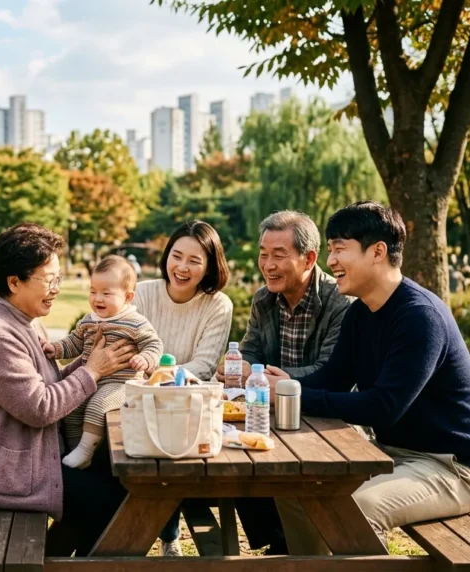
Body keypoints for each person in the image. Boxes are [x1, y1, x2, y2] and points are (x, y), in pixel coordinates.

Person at [264, 201, 470, 554]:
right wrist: (280, 385)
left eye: (340, 249)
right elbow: (333, 378)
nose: (331, 262)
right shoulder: (361, 312)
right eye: (330, 250)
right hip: (388, 454)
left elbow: (383, 408)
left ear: (378, 252)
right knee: (298, 488)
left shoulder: (419, 317)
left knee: (353, 510)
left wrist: (291, 394)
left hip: (450, 468)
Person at [0, 223, 135, 557]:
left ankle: (62, 559)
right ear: (14, 282)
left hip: (30, 462)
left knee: (116, 479)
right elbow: (40, 408)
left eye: (58, 279)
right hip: (6, 476)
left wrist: (96, 364)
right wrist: (93, 369)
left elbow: (47, 384)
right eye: (48, 279)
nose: (55, 288)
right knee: (115, 498)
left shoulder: (24, 318)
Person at [213, 211, 354, 554]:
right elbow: (249, 353)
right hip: (269, 412)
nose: (268, 264)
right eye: (263, 253)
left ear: (309, 258)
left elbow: (331, 371)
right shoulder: (264, 299)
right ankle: (278, 543)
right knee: (234, 456)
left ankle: (297, 546)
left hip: (327, 417)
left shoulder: (341, 303)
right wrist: (236, 367)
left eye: (279, 254)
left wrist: (272, 378)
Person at [133, 220, 234, 556]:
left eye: (194, 260)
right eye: (177, 256)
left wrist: (159, 374)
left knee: (173, 437)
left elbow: (203, 366)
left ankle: (169, 536)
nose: (182, 267)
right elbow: (127, 349)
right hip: (138, 395)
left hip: (186, 401)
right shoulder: (143, 293)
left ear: (209, 267)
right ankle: (151, 532)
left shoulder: (218, 305)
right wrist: (156, 376)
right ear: (166, 256)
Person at [43, 255, 163, 468]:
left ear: (127, 297)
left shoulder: (135, 323)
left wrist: (145, 359)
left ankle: (85, 450)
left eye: (106, 293)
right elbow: (75, 342)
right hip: (91, 379)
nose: (97, 298)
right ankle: (74, 449)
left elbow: (154, 345)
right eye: (93, 291)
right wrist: (57, 348)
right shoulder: (89, 321)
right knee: (71, 409)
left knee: (98, 405)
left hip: (121, 383)